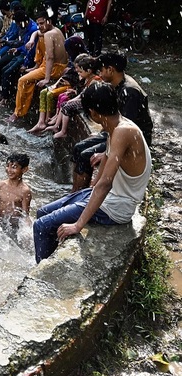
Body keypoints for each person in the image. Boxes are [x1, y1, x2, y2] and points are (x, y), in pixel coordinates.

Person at [34, 82, 151, 263]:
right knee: (42, 213)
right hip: (110, 198)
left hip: (117, 206)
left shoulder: (122, 131)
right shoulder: (118, 125)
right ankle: (50, 254)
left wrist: (78, 225)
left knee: (41, 226)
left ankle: (41, 271)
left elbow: (105, 183)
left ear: (94, 113)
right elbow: (107, 156)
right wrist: (90, 189)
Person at [70, 52, 153, 191]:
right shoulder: (116, 85)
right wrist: (102, 134)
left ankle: (81, 194)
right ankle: (75, 191)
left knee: (86, 156)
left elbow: (126, 129)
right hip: (115, 133)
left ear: (110, 70)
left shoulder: (130, 91)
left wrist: (106, 153)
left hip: (134, 140)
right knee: (78, 148)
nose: (100, 74)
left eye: (101, 70)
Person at [8, 11, 68, 122]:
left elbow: (50, 57)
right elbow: (36, 33)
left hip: (55, 69)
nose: (39, 26)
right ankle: (37, 65)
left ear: (49, 21)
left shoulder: (49, 34)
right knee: (39, 39)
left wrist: (47, 78)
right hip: (55, 66)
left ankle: (18, 113)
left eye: (42, 23)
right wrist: (31, 40)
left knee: (22, 80)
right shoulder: (55, 30)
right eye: (38, 24)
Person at [43, 54, 102, 138]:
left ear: (89, 71)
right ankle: (56, 125)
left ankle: (63, 131)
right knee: (64, 104)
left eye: (80, 72)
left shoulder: (94, 80)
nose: (79, 74)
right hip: (85, 100)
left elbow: (83, 95)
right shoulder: (87, 78)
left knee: (67, 107)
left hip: (90, 103)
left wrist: (72, 100)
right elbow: (81, 92)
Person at [0, 153, 32, 234]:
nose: (9, 170)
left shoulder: (25, 191)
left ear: (24, 169)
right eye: (7, 165)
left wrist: (28, 232)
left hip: (13, 227)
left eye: (14, 167)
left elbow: (25, 215)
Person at [28, 69, 79, 134]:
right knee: (43, 92)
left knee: (50, 94)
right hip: (62, 83)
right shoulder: (73, 69)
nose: (76, 69)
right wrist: (55, 84)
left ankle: (47, 120)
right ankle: (40, 122)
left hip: (69, 86)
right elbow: (63, 76)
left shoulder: (82, 73)